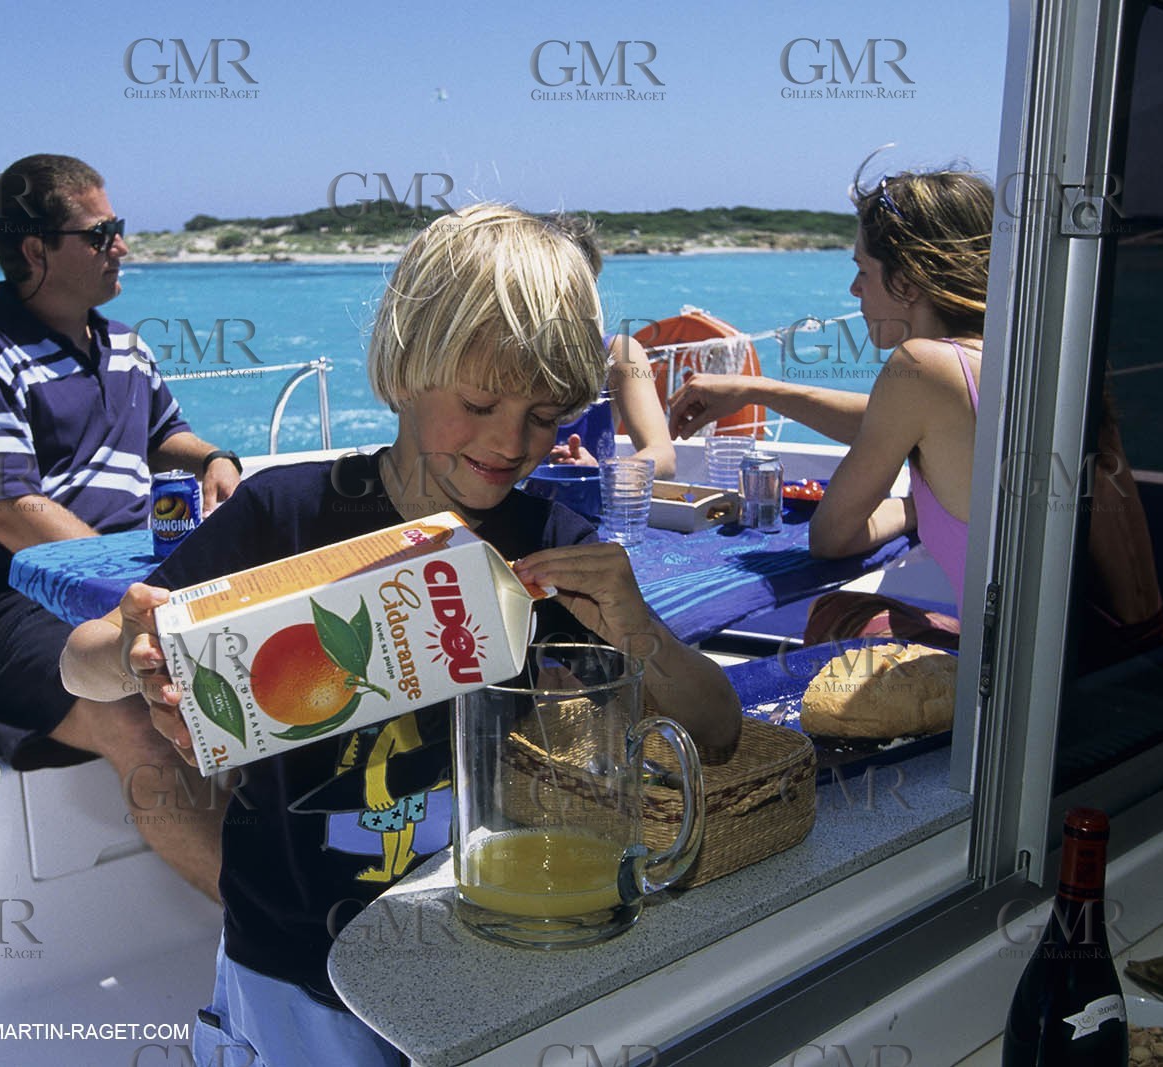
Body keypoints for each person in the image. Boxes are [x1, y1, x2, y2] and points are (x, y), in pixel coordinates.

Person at [61, 203, 742, 1066]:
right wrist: (128, 648)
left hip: (483, 941)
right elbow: (78, 668)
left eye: (544, 415)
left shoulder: (554, 546)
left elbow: (716, 729)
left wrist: (637, 630)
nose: (510, 440)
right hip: (292, 961)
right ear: (404, 368)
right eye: (481, 401)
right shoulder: (289, 515)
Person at [0, 153, 240, 900]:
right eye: (102, 233)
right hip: (1, 608)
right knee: (131, 707)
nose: (122, 245)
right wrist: (138, 588)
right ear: (35, 251)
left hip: (128, 583)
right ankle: (274, 943)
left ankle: (306, 884)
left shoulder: (124, 345)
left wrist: (215, 457)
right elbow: (8, 515)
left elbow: (165, 434)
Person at [668, 166, 994, 646]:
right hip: (1101, 661)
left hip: (1009, 686)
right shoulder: (1009, 358)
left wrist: (912, 509)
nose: (854, 291)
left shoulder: (924, 366)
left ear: (906, 283)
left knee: (835, 614)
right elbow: (891, 424)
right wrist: (758, 390)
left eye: (863, 271)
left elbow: (832, 538)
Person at [542, 214, 677, 478]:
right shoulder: (506, 355)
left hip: (592, 513)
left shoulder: (618, 353)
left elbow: (663, 456)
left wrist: (601, 472)